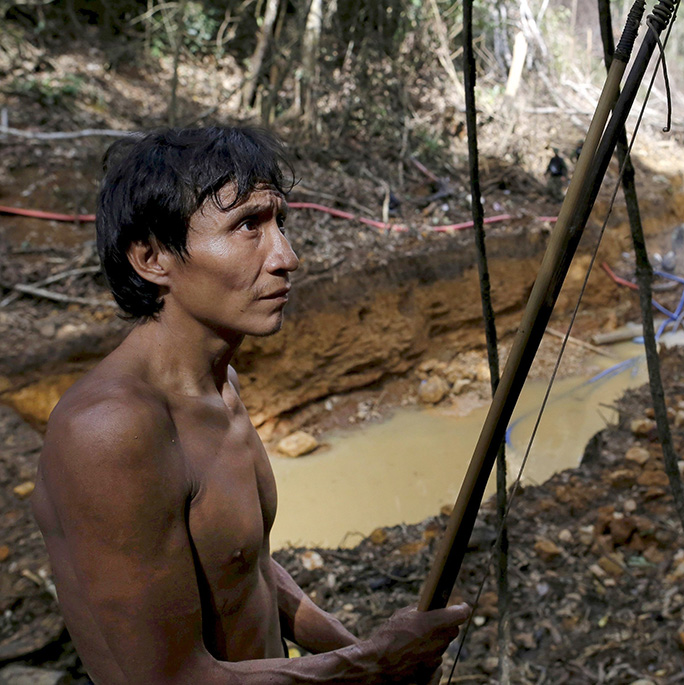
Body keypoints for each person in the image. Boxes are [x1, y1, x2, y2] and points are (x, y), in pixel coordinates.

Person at [31, 127, 470, 684]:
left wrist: (357, 649)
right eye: (246, 227)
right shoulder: (111, 432)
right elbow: (170, 681)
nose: (286, 257)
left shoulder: (218, 385)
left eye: (278, 222)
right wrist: (372, 665)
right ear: (151, 257)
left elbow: (245, 566)